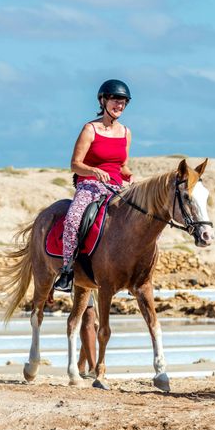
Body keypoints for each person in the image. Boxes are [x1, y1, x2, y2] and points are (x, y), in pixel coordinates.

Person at [52, 79, 133, 291]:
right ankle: (67, 270)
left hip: (116, 187)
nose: (119, 106)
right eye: (115, 100)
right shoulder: (90, 129)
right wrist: (94, 171)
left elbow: (122, 165)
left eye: (123, 102)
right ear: (103, 100)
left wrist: (131, 176)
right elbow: (75, 164)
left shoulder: (126, 132)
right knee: (72, 220)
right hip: (90, 185)